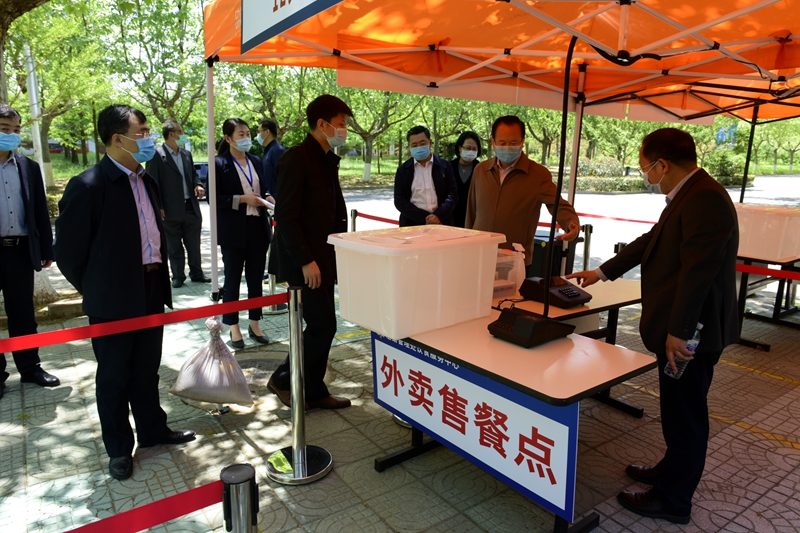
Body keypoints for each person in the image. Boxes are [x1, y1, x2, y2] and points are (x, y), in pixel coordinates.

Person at [567, 128, 739, 525]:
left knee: (686, 415)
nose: (645, 174)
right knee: (676, 410)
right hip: (683, 329)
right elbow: (652, 240)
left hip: (692, 334)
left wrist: (679, 332)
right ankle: (669, 471)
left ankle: (674, 500)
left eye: (645, 166)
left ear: (662, 164)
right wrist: (601, 272)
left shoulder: (706, 198)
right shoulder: (688, 194)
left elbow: (698, 273)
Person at [54, 104, 195, 481]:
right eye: (142, 133)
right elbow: (67, 253)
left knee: (146, 369)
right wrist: (98, 288)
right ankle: (119, 447)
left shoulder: (146, 180)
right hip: (112, 299)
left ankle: (152, 429)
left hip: (150, 288)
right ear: (118, 139)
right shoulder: (88, 186)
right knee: (114, 377)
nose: (149, 139)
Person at [267, 94, 351, 410]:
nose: (344, 130)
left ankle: (312, 388)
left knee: (322, 325)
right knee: (322, 325)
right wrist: (305, 260)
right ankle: (285, 379)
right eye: (341, 124)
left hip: (323, 257)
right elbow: (286, 216)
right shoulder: (297, 158)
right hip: (305, 261)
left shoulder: (326, 157)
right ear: (322, 124)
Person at [465, 115, 579, 276]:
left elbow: (558, 204)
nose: (507, 147)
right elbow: (471, 211)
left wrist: (571, 222)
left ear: (522, 142)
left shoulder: (538, 175)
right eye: (502, 143)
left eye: (513, 143)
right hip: (479, 255)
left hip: (514, 261)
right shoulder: (481, 170)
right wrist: (466, 244)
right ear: (493, 142)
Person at [0, 104, 60, 400]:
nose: (11, 134)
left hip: (20, 251)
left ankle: (30, 367)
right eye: (4, 129)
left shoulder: (28, 167)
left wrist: (46, 248)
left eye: (15, 129)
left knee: (23, 313)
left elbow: (39, 211)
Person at [215, 118, 273, 349]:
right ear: (228, 138)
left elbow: (263, 187)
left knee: (255, 279)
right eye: (241, 134)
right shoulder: (219, 163)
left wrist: (267, 197)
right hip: (233, 231)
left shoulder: (256, 161)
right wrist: (242, 199)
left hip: (257, 227)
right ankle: (233, 326)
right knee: (232, 279)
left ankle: (255, 324)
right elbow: (215, 198)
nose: (246, 138)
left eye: (248, 133)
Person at [145, 120, 210, 288]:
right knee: (174, 246)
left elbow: (193, 174)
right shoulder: (156, 155)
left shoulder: (186, 154)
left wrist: (198, 184)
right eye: (180, 131)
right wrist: (158, 206)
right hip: (169, 209)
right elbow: (152, 183)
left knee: (193, 244)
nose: (183, 135)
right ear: (171, 134)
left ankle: (196, 273)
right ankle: (178, 275)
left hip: (191, 207)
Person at [394, 125, 458, 227]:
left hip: (442, 222)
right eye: (414, 145)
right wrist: (426, 218)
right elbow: (399, 201)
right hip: (412, 224)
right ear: (409, 146)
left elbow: (453, 195)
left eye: (422, 143)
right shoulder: (403, 170)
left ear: (430, 143)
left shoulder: (445, 166)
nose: (419, 147)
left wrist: (438, 216)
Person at [450, 131, 481, 228]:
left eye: (474, 149)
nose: (471, 151)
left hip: (473, 219)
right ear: (459, 148)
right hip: (451, 219)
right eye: (468, 148)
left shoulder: (481, 169)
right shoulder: (448, 167)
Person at [257, 118, 285, 199]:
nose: (257, 135)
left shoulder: (277, 150)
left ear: (267, 132)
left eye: (259, 131)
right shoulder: (269, 151)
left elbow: (283, 179)